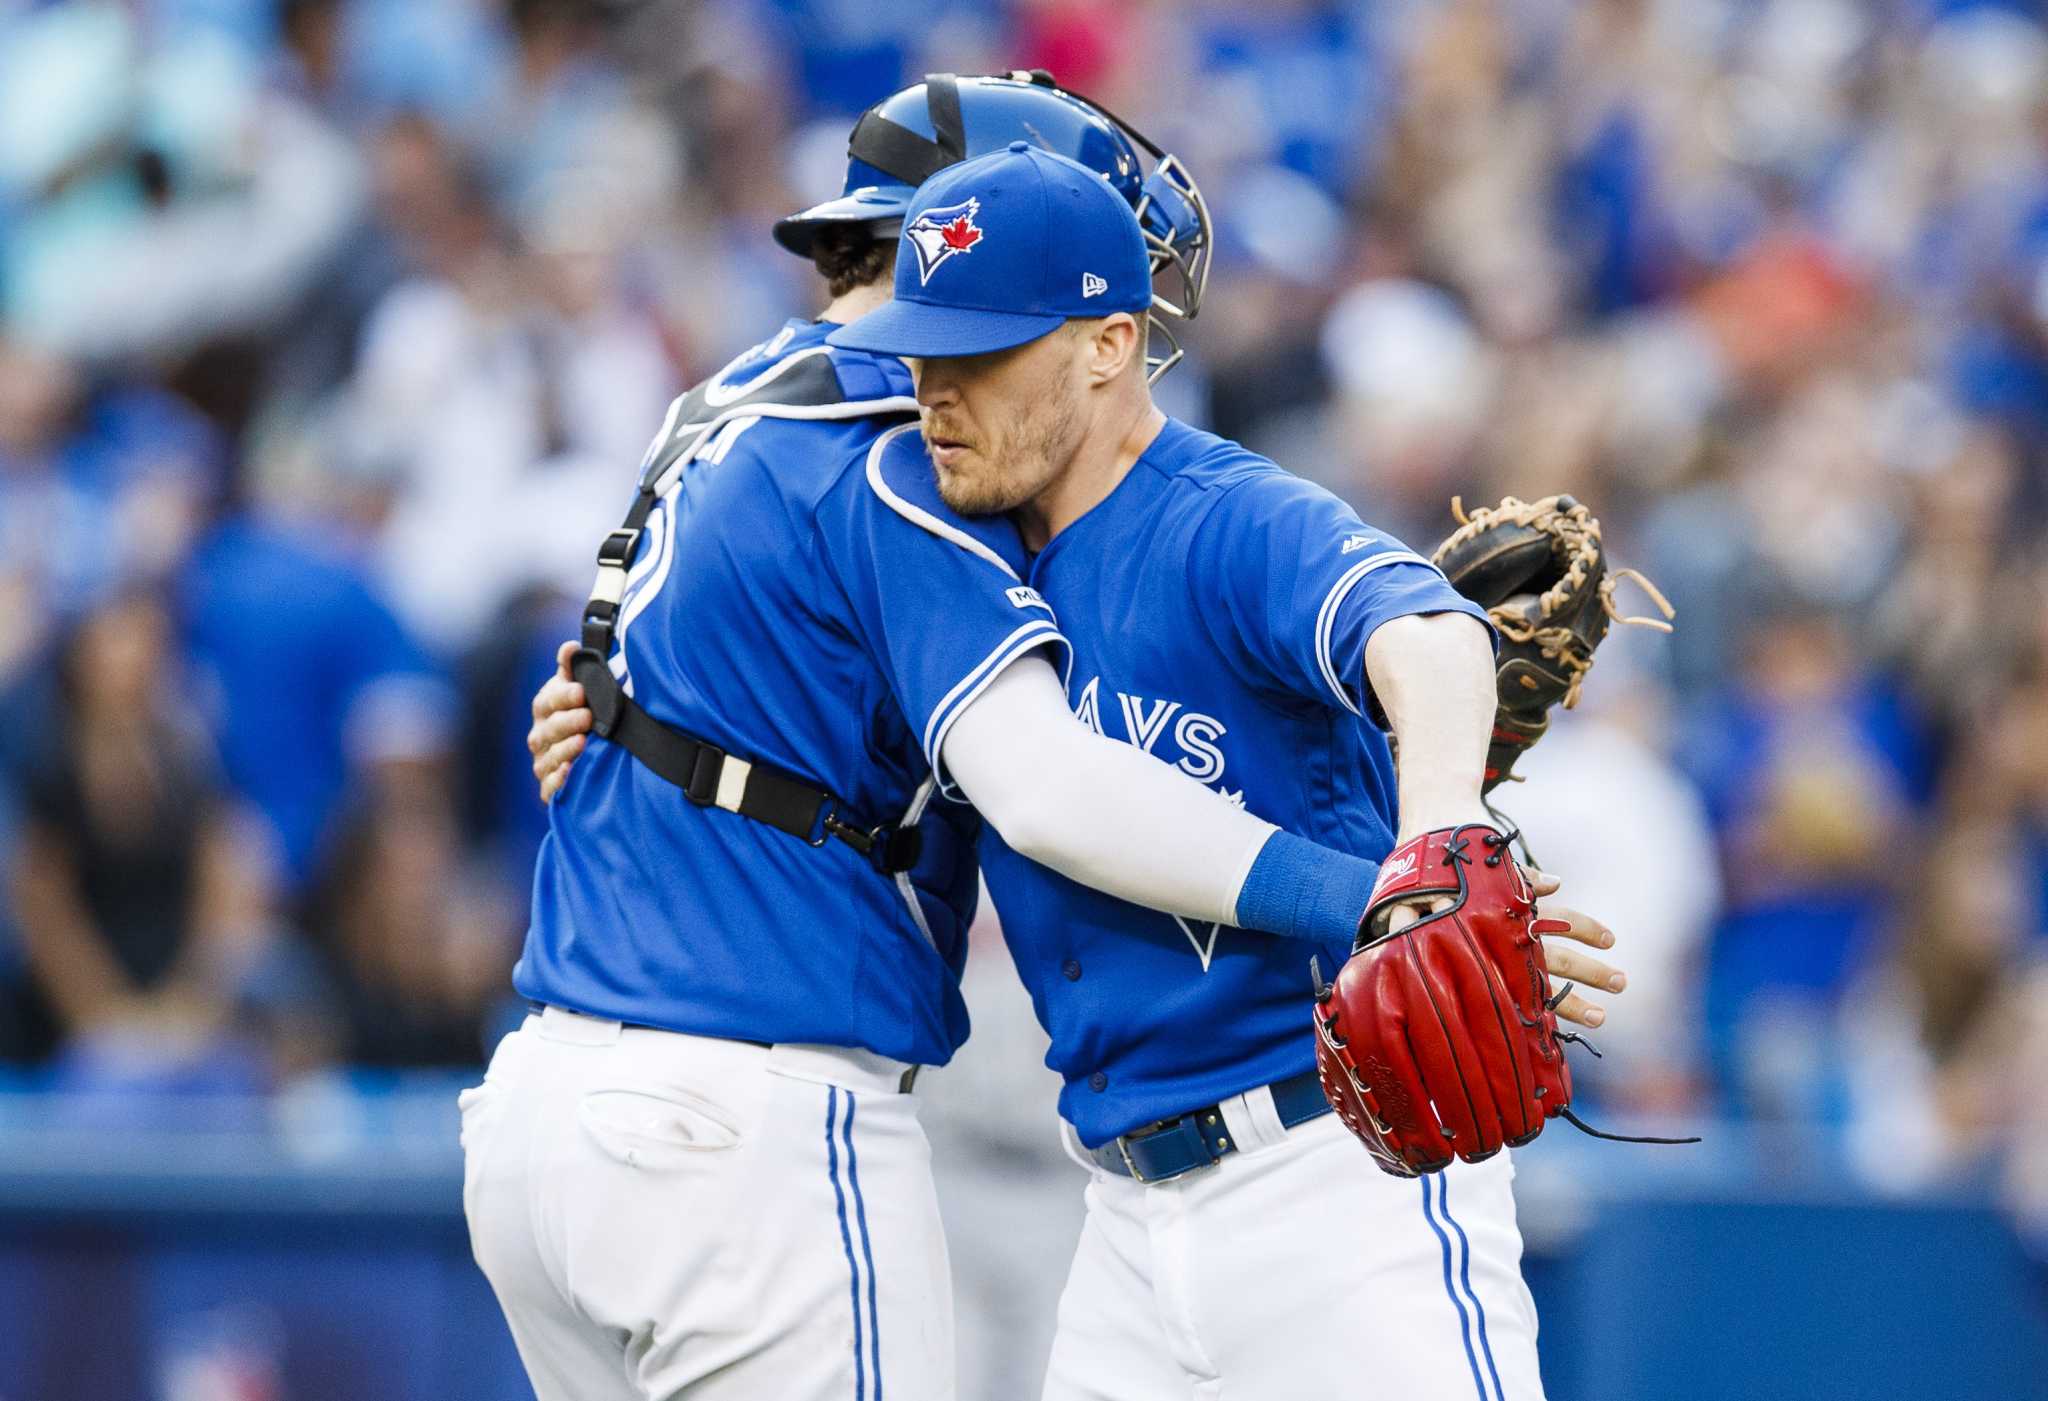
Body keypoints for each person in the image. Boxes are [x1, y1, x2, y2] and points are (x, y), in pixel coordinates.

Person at [533, 142, 1628, 1397]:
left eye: (981, 356)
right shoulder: (947, 559)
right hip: (1115, 1225)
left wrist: (1436, 834)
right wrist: (590, 714)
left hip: (1337, 1181)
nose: (936, 391)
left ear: (1107, 345)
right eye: (923, 351)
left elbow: (1427, 630)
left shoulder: (1219, 512)